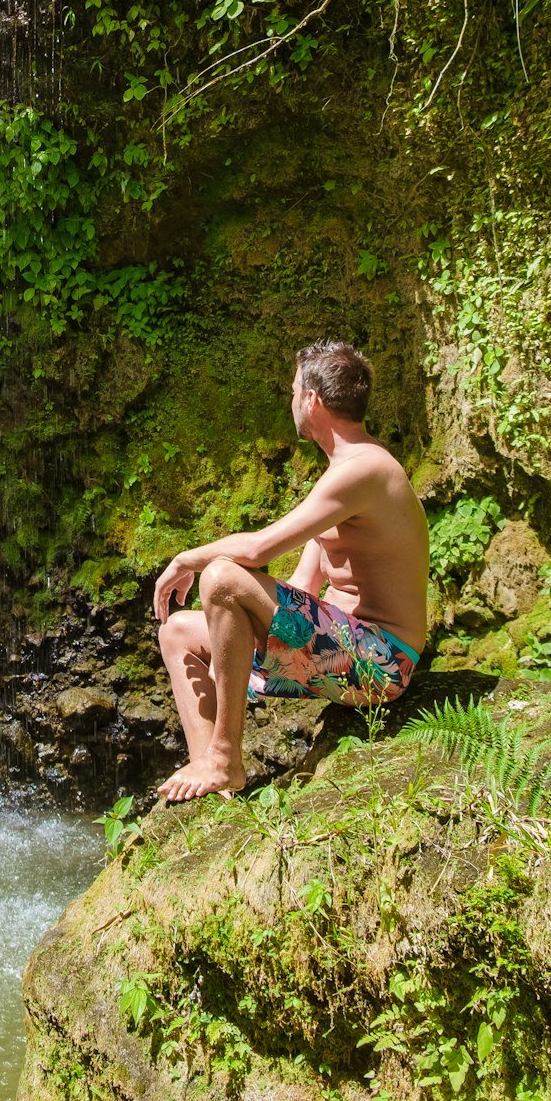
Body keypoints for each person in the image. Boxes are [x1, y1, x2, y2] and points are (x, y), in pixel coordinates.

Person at [153, 340, 429, 802]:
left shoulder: (366, 469)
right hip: (336, 650)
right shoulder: (340, 475)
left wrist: (186, 559)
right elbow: (300, 590)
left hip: (381, 662)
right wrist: (238, 639)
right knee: (178, 633)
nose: (292, 400)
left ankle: (225, 756)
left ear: (311, 400)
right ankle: (213, 778)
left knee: (219, 577)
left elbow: (260, 548)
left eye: (294, 390)